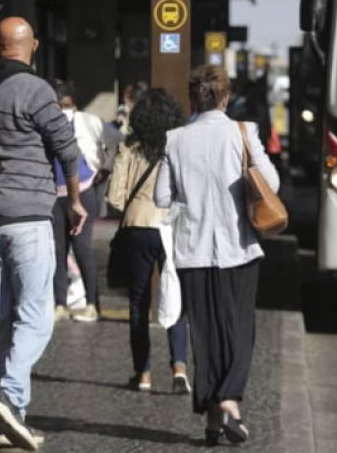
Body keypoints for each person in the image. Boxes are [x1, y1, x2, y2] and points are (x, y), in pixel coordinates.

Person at [0, 16, 86, 451]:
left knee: (7, 317)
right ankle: (11, 394)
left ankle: (12, 420)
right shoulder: (37, 89)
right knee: (37, 315)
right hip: (28, 219)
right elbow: (66, 147)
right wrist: (74, 200)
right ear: (34, 45)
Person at [154, 65, 279, 446]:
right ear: (225, 98)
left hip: (193, 250)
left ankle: (213, 418)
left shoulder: (175, 139)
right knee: (239, 330)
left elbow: (161, 197)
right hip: (238, 247)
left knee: (206, 335)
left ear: (192, 99)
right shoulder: (243, 133)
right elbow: (270, 183)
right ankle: (229, 402)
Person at [106, 89, 190, 394]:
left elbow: (116, 198)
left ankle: (143, 374)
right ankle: (179, 367)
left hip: (138, 226)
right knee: (176, 295)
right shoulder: (179, 147)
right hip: (171, 227)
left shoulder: (130, 147)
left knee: (139, 303)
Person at [51, 79, 122, 322]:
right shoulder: (45, 124)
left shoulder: (89, 122)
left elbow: (117, 141)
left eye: (66, 105)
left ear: (75, 104)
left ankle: (92, 303)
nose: (62, 110)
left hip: (83, 190)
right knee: (57, 251)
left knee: (82, 248)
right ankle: (59, 303)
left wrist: (104, 169)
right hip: (53, 194)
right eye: (57, 105)